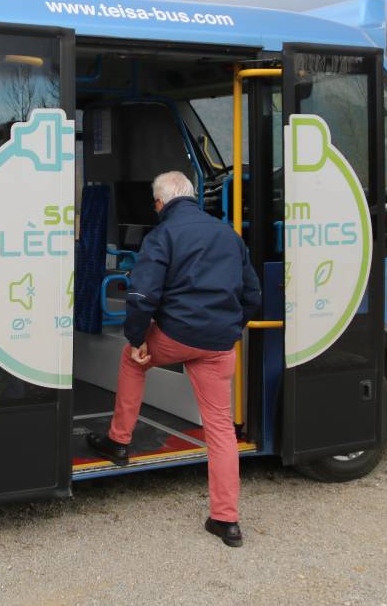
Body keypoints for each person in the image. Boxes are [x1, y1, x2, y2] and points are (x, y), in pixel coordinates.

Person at [87, 170, 262, 547]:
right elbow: (252, 296)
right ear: (193, 196)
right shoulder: (228, 235)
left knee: (133, 360)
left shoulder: (162, 235)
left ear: (160, 203)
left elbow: (141, 296)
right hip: (219, 343)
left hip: (176, 335)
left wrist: (137, 338)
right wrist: (230, 328)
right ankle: (226, 520)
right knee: (219, 427)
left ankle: (119, 441)